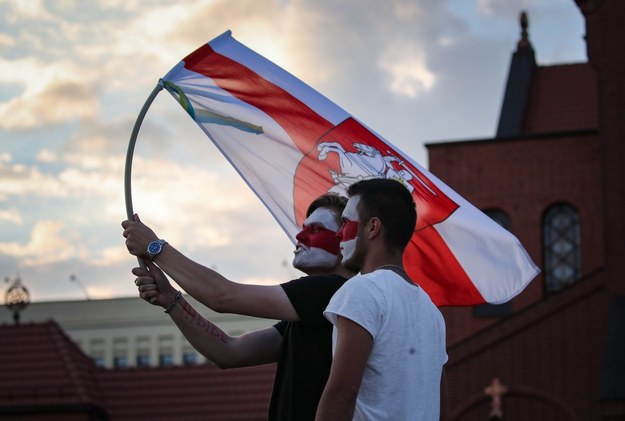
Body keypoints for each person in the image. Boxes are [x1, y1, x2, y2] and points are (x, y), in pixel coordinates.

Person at [121, 193, 355, 421]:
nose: (300, 236)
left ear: (344, 239)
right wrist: (171, 298)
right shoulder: (313, 311)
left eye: (315, 229)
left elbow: (223, 296)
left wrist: (154, 247)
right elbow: (228, 352)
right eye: (303, 228)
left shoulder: (334, 291)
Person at [315, 178, 447, 421]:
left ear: (372, 227)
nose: (338, 234)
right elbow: (437, 400)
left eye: (345, 222)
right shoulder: (432, 312)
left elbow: (342, 392)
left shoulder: (362, 290)